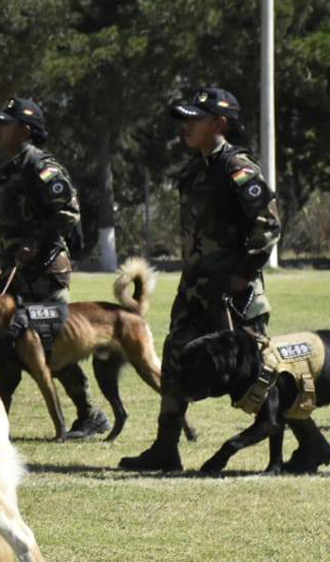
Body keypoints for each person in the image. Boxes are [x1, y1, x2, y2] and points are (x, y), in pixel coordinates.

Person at [119, 87, 281, 471]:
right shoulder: (195, 170)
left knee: (258, 372)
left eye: (196, 118)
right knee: (176, 360)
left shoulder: (237, 168)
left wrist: (242, 276)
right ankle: (165, 448)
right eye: (185, 118)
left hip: (233, 292)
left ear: (220, 123)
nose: (186, 125)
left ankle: (308, 441)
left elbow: (269, 226)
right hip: (194, 289)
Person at [0, 98, 110, 439]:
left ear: (25, 130)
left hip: (44, 270)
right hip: (15, 270)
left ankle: (89, 415)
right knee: (1, 339)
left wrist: (35, 243)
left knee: (51, 344)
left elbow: (68, 212)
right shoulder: (11, 168)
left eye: (4, 123)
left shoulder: (41, 166)